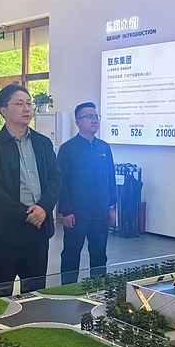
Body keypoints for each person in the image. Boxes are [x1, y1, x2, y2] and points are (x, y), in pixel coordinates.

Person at [0, 84, 61, 297]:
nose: (27, 108)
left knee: (35, 295)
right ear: (3, 110)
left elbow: (55, 179)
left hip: (38, 229)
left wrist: (43, 208)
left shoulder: (43, 143)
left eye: (29, 103)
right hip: (5, 232)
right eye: (19, 103)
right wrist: (26, 213)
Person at [58, 102, 117, 285]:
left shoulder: (104, 148)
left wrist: (111, 207)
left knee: (99, 254)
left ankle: (98, 290)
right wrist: (66, 211)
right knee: (71, 254)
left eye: (95, 116)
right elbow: (61, 182)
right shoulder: (68, 148)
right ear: (77, 122)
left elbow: (110, 178)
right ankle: (67, 290)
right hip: (76, 214)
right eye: (88, 117)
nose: (94, 120)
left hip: (100, 213)